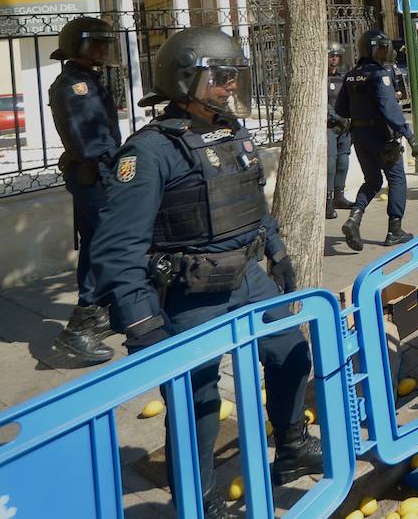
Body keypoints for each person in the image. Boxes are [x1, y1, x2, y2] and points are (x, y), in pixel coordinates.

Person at [88, 28, 322, 517]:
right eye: (219, 76)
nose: (230, 85)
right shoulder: (149, 152)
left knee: (292, 354)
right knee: (197, 401)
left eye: (233, 75)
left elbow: (255, 203)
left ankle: (293, 447)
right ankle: (199, 499)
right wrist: (139, 322)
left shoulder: (231, 130)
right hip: (193, 292)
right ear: (184, 79)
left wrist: (277, 254)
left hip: (248, 277)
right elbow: (115, 247)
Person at [47, 16, 122, 366]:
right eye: (96, 42)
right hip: (94, 173)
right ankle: (81, 326)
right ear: (77, 45)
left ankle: (103, 309)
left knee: (96, 242)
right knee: (108, 242)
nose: (103, 48)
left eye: (106, 42)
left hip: (95, 173)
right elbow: (94, 141)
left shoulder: (87, 79)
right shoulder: (75, 85)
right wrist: (122, 162)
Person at [335, 29, 417, 251]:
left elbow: (341, 108)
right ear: (371, 49)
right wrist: (410, 136)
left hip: (360, 137)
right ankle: (394, 230)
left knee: (372, 181)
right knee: (397, 179)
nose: (385, 52)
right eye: (382, 48)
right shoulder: (380, 74)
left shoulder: (351, 74)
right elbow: (389, 110)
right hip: (382, 136)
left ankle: (354, 218)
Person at [325, 42, 354, 221]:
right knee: (330, 164)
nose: (334, 58)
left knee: (343, 161)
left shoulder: (344, 78)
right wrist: (336, 116)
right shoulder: (322, 78)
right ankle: (327, 201)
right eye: (331, 55)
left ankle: (339, 196)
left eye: (337, 56)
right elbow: (322, 102)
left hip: (345, 127)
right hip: (329, 125)